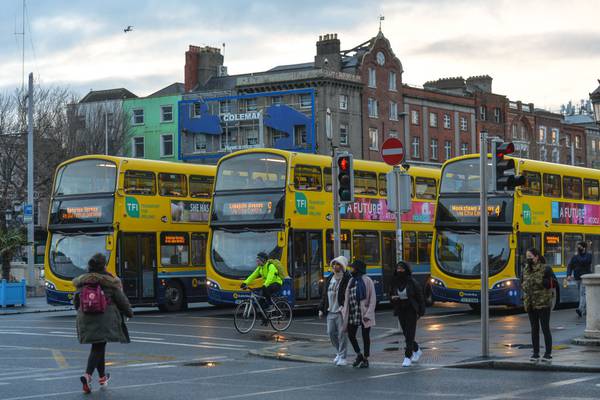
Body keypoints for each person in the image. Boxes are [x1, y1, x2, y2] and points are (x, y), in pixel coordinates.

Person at [73, 253, 133, 394]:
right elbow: (122, 301)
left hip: (85, 317)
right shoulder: (110, 282)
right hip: (105, 319)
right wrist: (129, 313)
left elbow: (76, 302)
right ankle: (87, 375)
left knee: (99, 344)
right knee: (98, 346)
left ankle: (102, 377)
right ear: (103, 265)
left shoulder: (82, 282)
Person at [390, 261, 426, 367]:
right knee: (406, 333)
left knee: (410, 333)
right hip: (400, 308)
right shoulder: (394, 282)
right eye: (398, 269)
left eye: (402, 269)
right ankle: (417, 349)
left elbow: (420, 296)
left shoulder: (412, 282)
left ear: (406, 270)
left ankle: (407, 356)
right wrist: (393, 298)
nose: (400, 270)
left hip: (411, 309)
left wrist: (421, 310)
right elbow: (391, 294)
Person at [521, 248, 554, 363]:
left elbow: (553, 283)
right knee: (534, 329)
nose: (528, 259)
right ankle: (535, 353)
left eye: (530, 256)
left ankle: (548, 353)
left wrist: (543, 282)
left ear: (537, 257)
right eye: (527, 257)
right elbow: (522, 282)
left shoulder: (546, 268)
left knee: (545, 328)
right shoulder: (526, 269)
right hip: (530, 303)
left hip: (543, 303)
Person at [342, 259, 376, 368]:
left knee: (365, 336)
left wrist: (368, 314)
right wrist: (344, 310)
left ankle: (366, 359)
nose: (351, 269)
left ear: (358, 269)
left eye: (353, 267)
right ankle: (359, 355)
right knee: (351, 335)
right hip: (353, 313)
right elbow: (347, 298)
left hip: (364, 313)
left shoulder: (367, 280)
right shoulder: (351, 281)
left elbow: (372, 299)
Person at [318, 256, 351, 366]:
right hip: (330, 310)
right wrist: (321, 309)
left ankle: (343, 356)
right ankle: (338, 352)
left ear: (342, 266)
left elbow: (349, 295)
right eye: (334, 264)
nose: (334, 266)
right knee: (331, 333)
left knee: (342, 335)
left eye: (337, 264)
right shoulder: (330, 278)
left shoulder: (347, 278)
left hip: (341, 311)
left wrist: (345, 307)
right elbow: (324, 294)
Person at [241, 252, 283, 316]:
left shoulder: (270, 266)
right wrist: (245, 282)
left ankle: (271, 306)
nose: (257, 262)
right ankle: (265, 318)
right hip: (267, 284)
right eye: (256, 260)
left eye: (258, 260)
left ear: (263, 260)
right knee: (260, 301)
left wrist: (265, 285)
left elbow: (270, 277)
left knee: (266, 290)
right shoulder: (260, 268)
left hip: (276, 283)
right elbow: (253, 275)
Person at [567, 241, 592, 317]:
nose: (578, 248)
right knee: (582, 294)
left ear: (584, 248)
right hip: (577, 278)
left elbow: (584, 261)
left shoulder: (588, 256)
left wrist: (577, 256)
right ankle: (585, 309)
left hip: (585, 278)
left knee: (582, 293)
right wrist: (568, 274)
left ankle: (580, 309)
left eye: (579, 247)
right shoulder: (575, 256)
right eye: (577, 247)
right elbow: (570, 266)